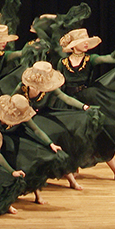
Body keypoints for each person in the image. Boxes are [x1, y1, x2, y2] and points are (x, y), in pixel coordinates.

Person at [56, 28, 115, 182]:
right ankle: (73, 168)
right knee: (71, 136)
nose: (85, 44)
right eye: (82, 42)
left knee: (100, 133)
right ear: (73, 46)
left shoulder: (91, 59)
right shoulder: (62, 63)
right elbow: (58, 84)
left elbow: (106, 59)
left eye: (86, 42)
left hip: (88, 99)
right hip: (69, 102)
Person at [12, 61, 103, 190]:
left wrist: (84, 107)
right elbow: (12, 103)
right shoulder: (22, 87)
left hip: (43, 116)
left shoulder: (50, 87)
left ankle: (71, 179)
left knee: (63, 134)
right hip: (25, 121)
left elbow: (65, 98)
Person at [0, 94, 71, 204]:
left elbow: (36, 130)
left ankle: (37, 195)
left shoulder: (22, 115)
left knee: (29, 160)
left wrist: (50, 143)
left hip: (13, 140)